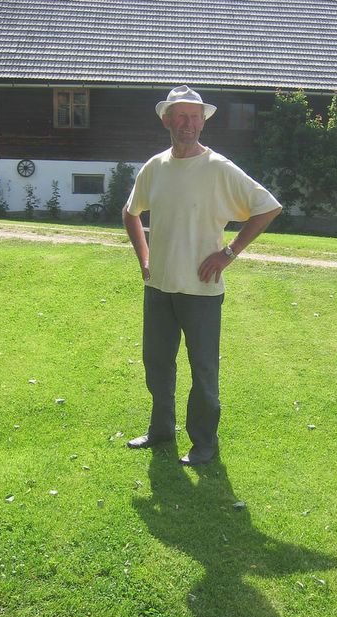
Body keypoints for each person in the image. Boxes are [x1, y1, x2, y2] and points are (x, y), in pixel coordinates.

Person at [123, 85, 281, 466]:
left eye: (195, 117)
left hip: (202, 291)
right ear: (167, 120)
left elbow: (267, 207)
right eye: (181, 116)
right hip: (159, 287)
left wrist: (229, 253)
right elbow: (131, 212)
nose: (188, 124)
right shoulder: (155, 167)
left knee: (204, 371)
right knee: (157, 363)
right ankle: (161, 430)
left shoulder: (218, 168)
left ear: (203, 122)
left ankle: (204, 443)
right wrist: (144, 257)